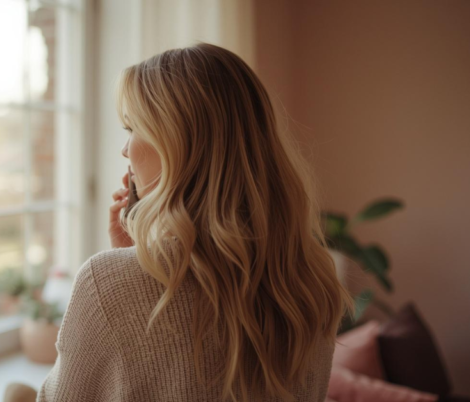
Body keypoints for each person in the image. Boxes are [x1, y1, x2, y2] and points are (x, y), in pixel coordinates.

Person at [28, 42, 353, 402]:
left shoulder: (104, 284)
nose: (125, 150)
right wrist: (139, 257)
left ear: (176, 145)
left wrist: (126, 271)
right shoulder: (312, 277)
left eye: (132, 128)